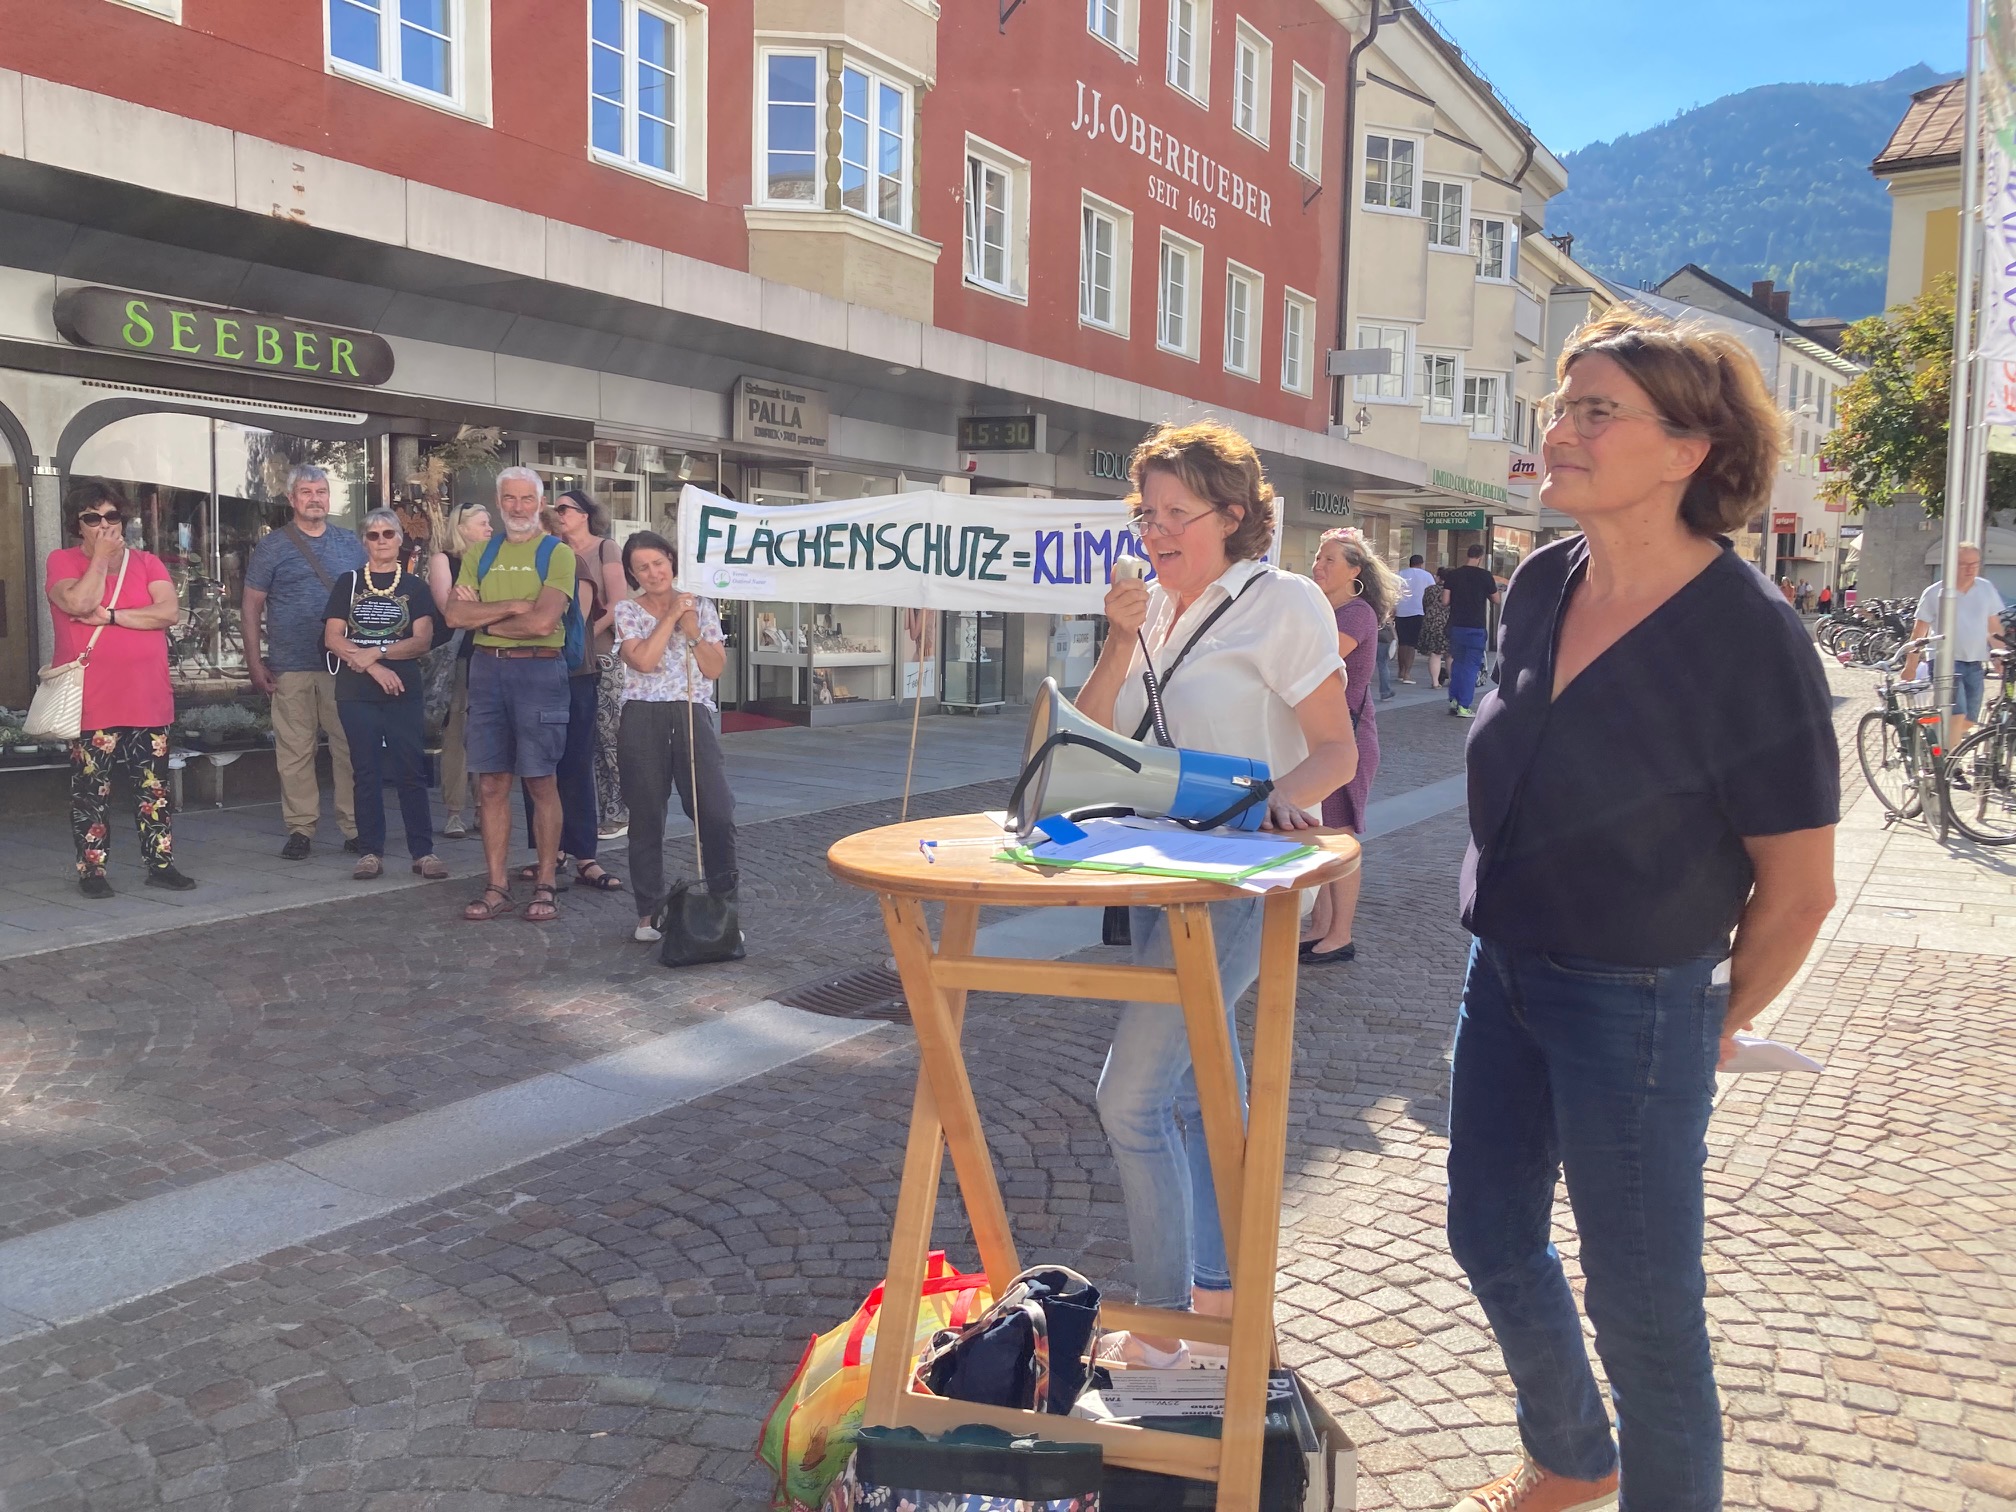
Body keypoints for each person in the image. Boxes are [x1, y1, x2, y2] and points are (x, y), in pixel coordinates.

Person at [1448, 309, 1839, 1512]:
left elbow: (1802, 885)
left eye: (1594, 410)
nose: (1559, 430)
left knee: (1646, 1305)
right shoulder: (1542, 583)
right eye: (1562, 406)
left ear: (1688, 450)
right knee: (1488, 1233)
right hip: (1503, 974)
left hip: (1637, 1000)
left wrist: (1718, 1012)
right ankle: (1573, 1456)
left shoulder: (1749, 638)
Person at [1074, 421, 1356, 1366]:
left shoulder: (1284, 604)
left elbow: (1336, 749)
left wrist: (1281, 800)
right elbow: (1089, 739)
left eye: (1174, 514)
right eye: (1145, 512)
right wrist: (1118, 639)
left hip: (1242, 881)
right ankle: (1228, 1311)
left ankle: (1161, 1328)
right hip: (1167, 874)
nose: (1154, 531)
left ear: (1232, 517)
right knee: (1200, 1094)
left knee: (1131, 1100)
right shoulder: (1150, 606)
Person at [43, 482, 196, 897]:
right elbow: (76, 603)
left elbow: (167, 612)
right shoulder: (61, 560)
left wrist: (110, 616)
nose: (105, 525)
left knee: (154, 789)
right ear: (79, 525)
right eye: (93, 518)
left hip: (147, 698)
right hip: (91, 701)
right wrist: (101, 561)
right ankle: (92, 871)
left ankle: (160, 863)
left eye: (112, 516)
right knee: (91, 791)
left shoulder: (146, 562)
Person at [444, 468, 577, 924]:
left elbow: (543, 622)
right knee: (490, 783)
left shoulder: (557, 553)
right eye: (509, 498)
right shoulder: (480, 552)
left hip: (540, 669)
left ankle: (545, 883)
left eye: (526, 498)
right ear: (498, 501)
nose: (517, 507)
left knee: (541, 780)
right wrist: (512, 606)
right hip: (487, 672)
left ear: (539, 503)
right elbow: (454, 612)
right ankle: (497, 885)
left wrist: (485, 620)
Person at [612, 532, 737, 944]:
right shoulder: (626, 610)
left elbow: (715, 669)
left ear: (671, 560)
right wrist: (669, 619)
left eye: (658, 563)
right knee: (647, 816)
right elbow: (644, 661)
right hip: (643, 716)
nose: (653, 573)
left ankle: (725, 908)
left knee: (716, 812)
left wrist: (693, 630)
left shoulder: (701, 605)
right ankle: (649, 911)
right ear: (632, 573)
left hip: (692, 712)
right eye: (642, 567)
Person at [243, 465, 366, 858]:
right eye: (307, 492)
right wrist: (254, 662)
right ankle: (301, 829)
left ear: (330, 498)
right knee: (295, 752)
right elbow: (250, 607)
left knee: (350, 748)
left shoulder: (352, 544)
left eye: (322, 491)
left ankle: (354, 826)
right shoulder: (272, 547)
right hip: (290, 665)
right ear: (293, 499)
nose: (315, 498)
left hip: (344, 664)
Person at [323, 509, 446, 882]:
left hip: (402, 689)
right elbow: (332, 637)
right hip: (356, 691)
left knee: (411, 769)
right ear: (364, 542)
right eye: (373, 535)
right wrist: (374, 666)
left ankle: (422, 852)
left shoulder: (415, 587)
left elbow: (421, 640)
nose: (381, 541)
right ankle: (370, 852)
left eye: (388, 534)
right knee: (366, 771)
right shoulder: (348, 583)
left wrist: (377, 652)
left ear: (399, 540)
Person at [513, 489, 624, 893]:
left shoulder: (573, 562)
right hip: (528, 675)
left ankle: (584, 854)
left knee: (574, 764)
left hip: (572, 673)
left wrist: (520, 617)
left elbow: (567, 620)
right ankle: (548, 851)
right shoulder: (518, 567)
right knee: (536, 766)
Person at [1302, 528, 1394, 963]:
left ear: (1355, 571)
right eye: (1318, 559)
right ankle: (1320, 927)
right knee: (1321, 836)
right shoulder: (1322, 609)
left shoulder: (1356, 614)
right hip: (1322, 739)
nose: (1319, 566)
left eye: (1329, 560)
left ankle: (1340, 935)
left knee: (1338, 838)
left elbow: (1316, 659)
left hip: (1347, 741)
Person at [428, 502, 492, 839]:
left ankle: (485, 807)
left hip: (491, 655)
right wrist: (484, 606)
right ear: (462, 527)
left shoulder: (493, 560)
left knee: (486, 733)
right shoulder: (444, 560)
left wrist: (476, 603)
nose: (490, 528)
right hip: (459, 658)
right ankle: (455, 811)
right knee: (457, 735)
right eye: (483, 523)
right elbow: (448, 607)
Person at [1904, 543, 2006, 741]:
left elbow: (1994, 627)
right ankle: (1950, 767)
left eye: (1974, 564)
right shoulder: (1935, 593)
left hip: (1974, 663)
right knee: (1956, 716)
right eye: (1964, 564)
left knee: (1969, 720)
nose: (1970, 569)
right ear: (1951, 565)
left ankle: (1935, 740)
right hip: (1944, 663)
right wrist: (1911, 666)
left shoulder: (1985, 588)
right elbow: (1919, 632)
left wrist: (1999, 657)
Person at [1445, 543, 1498, 718]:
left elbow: (1445, 600)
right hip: (1475, 627)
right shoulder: (1485, 576)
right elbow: (1496, 599)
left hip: (1456, 626)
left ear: (1467, 555)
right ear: (1481, 557)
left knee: (1458, 663)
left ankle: (1453, 699)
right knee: (1470, 667)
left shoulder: (1453, 575)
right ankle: (1464, 706)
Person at [1393, 553, 1436, 683]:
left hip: (1401, 611)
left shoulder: (1401, 574)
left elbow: (1394, 591)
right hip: (1418, 611)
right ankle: (1407, 673)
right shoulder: (1426, 575)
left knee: (1402, 642)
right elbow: (1432, 591)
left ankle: (1400, 671)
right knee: (1411, 644)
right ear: (1421, 563)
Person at [1419, 568, 1450, 689]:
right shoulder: (1453, 590)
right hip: (1448, 622)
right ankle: (1452, 680)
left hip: (1431, 623)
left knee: (1435, 654)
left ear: (1438, 577)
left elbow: (1425, 605)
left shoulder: (1429, 590)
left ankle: (1435, 682)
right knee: (1450, 654)